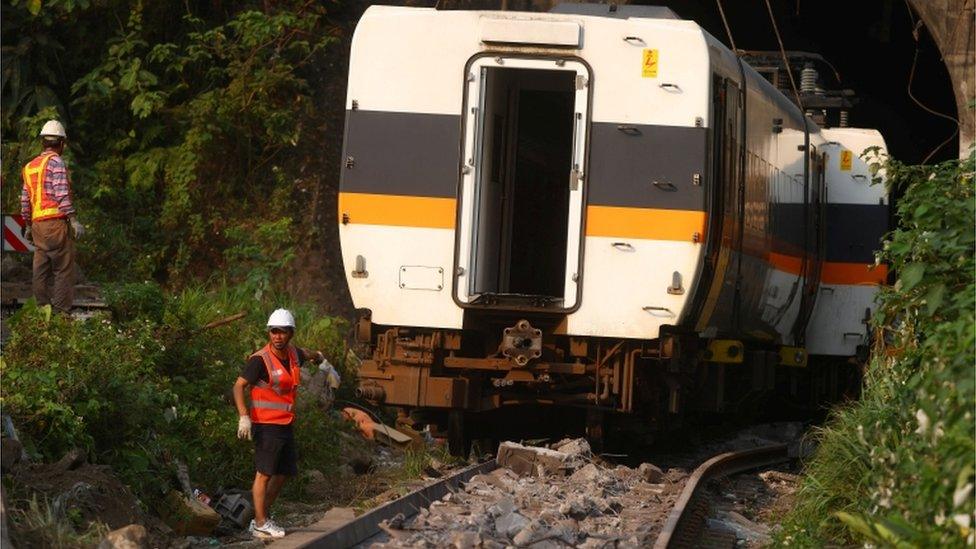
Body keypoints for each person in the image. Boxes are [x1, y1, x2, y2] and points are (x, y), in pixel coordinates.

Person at [233, 309, 324, 539]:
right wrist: (244, 416)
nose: (277, 336)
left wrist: (320, 358)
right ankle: (261, 522)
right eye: (274, 331)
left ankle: (260, 518)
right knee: (263, 473)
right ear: (269, 332)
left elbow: (307, 353)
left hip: (285, 424)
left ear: (290, 333)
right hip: (265, 425)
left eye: (282, 332)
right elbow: (238, 386)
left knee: (282, 472)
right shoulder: (259, 360)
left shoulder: (294, 355)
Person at [20, 120, 85, 314]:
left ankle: (42, 311)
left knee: (40, 270)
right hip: (56, 224)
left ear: (42, 142)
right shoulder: (56, 162)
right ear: (62, 143)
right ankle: (60, 314)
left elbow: (25, 201)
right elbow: (61, 193)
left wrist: (29, 226)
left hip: (38, 226)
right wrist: (73, 220)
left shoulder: (30, 166)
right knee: (63, 269)